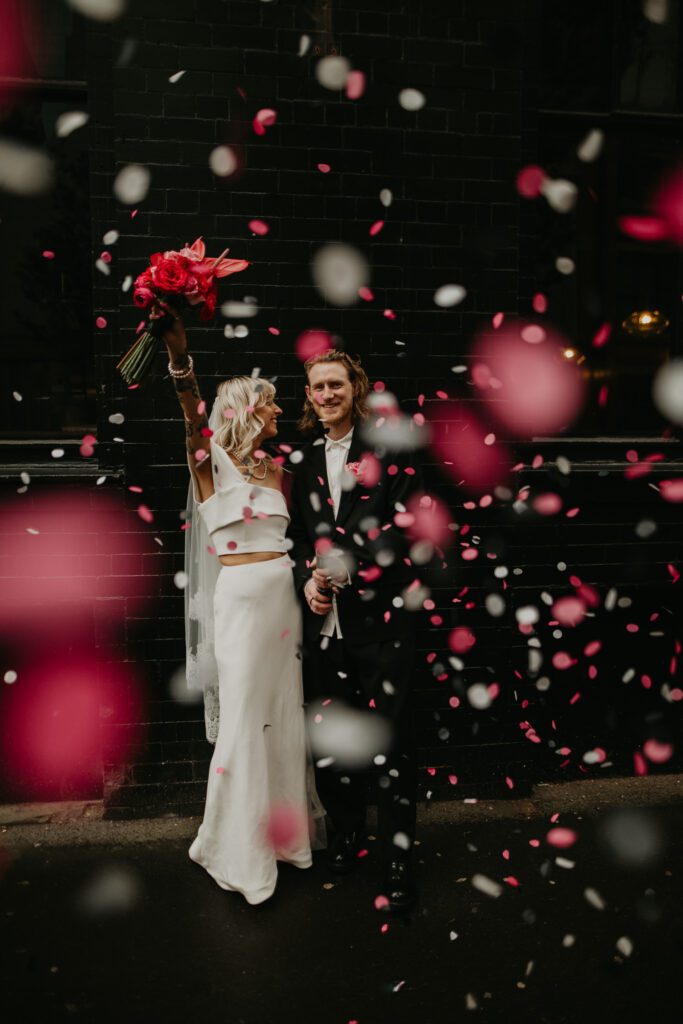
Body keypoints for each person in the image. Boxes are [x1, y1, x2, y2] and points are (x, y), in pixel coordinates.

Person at [158, 306, 317, 906]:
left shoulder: (280, 471)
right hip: (243, 605)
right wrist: (180, 359)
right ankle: (232, 848)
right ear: (248, 409)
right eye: (272, 402)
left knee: (282, 713)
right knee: (247, 719)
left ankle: (284, 839)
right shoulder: (211, 466)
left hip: (284, 605)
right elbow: (189, 414)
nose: (281, 410)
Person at [287, 350, 422, 913]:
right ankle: (346, 836)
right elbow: (293, 539)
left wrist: (348, 564)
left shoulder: (389, 450)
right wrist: (306, 584)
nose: (326, 394)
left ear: (355, 388)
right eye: (317, 386)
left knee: (390, 747)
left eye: (335, 384)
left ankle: (398, 858)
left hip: (383, 625)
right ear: (309, 395)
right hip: (325, 628)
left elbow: (406, 528)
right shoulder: (301, 458)